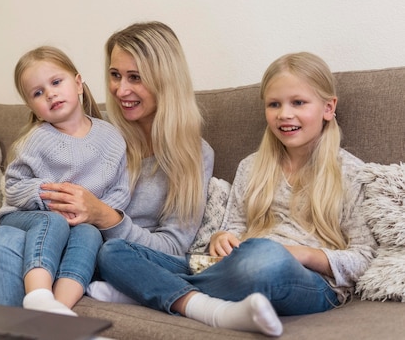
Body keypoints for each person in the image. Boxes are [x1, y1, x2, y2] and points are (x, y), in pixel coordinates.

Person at [95, 52, 378, 337]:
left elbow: (366, 258)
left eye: (298, 103)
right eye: (274, 104)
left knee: (266, 256)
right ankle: (191, 300)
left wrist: (301, 254)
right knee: (112, 251)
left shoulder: (354, 172)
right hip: (234, 266)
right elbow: (232, 230)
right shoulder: (251, 166)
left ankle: (148, 289)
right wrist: (221, 238)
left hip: (310, 281)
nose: (284, 114)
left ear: (328, 108)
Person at [0, 20, 214, 315]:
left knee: (0, 242)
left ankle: (32, 321)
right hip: (47, 237)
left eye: (135, 77)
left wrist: (103, 215)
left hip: (92, 252)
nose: (121, 90)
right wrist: (46, 199)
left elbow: (172, 251)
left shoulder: (193, 154)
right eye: (115, 75)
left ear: (166, 80)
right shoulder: (97, 128)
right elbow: (22, 189)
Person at [0, 45, 130, 316]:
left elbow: (120, 189)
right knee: (54, 219)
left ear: (78, 84)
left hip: (81, 223)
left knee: (90, 233)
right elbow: (13, 187)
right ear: (34, 109)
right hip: (25, 217)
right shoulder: (37, 138)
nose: (50, 93)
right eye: (38, 93)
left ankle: (56, 310)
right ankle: (38, 294)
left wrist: (94, 211)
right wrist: (49, 196)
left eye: (56, 82)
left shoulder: (111, 137)